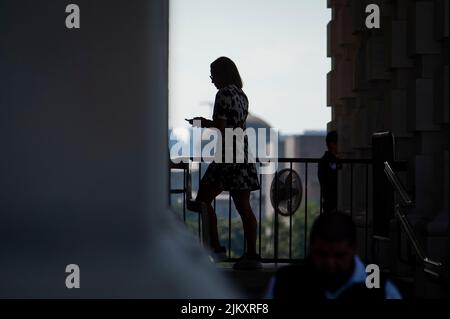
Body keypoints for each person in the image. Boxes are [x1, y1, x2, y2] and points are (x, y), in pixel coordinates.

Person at [186, 57, 261, 270]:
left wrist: (200, 122)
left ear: (221, 74)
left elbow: (220, 126)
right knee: (245, 208)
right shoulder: (242, 95)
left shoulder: (222, 95)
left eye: (213, 75)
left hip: (227, 154)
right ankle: (253, 255)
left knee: (202, 201)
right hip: (243, 153)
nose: (212, 81)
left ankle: (215, 248)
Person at [266, 212, 402, 299]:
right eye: (322, 254)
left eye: (339, 256)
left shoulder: (285, 281)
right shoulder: (381, 288)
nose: (330, 263)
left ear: (353, 249)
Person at [318, 131, 341, 214]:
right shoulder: (328, 161)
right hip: (331, 202)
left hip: (329, 202)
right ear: (332, 144)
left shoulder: (325, 160)